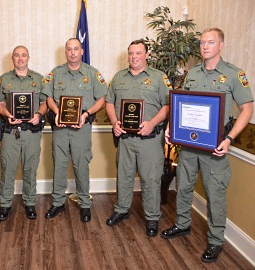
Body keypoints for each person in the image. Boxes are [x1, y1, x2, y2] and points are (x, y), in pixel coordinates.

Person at [161, 28, 253, 263]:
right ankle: (182, 224)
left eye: (210, 43)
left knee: (215, 194)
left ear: (221, 45)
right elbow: (182, 104)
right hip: (189, 145)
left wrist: (229, 139)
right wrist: (172, 126)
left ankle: (215, 240)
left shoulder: (234, 75)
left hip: (215, 147)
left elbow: (247, 109)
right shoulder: (192, 73)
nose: (204, 47)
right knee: (183, 186)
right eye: (202, 43)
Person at [105, 40, 170, 237]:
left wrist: (151, 123)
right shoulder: (118, 78)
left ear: (147, 55)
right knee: (123, 177)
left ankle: (151, 217)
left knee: (151, 179)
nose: (134, 57)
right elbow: (109, 102)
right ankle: (121, 210)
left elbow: (167, 106)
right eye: (131, 53)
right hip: (125, 138)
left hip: (149, 139)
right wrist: (115, 122)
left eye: (138, 53)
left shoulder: (159, 78)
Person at [42, 38, 107, 222]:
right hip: (60, 128)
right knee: (59, 166)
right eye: (69, 49)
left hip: (82, 129)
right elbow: (49, 98)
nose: (72, 52)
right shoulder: (56, 74)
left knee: (81, 166)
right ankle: (57, 203)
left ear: (81, 52)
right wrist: (56, 112)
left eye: (76, 49)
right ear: (65, 52)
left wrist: (86, 114)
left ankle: (85, 204)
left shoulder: (92, 74)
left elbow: (102, 99)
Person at [0, 46, 47, 221]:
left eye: (23, 55)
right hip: (11, 132)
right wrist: (6, 114)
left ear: (28, 58)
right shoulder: (4, 80)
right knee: (7, 169)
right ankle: (5, 204)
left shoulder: (39, 79)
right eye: (17, 55)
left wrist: (38, 115)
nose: (20, 58)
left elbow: (45, 103)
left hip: (31, 132)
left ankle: (30, 202)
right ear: (12, 58)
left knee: (30, 169)